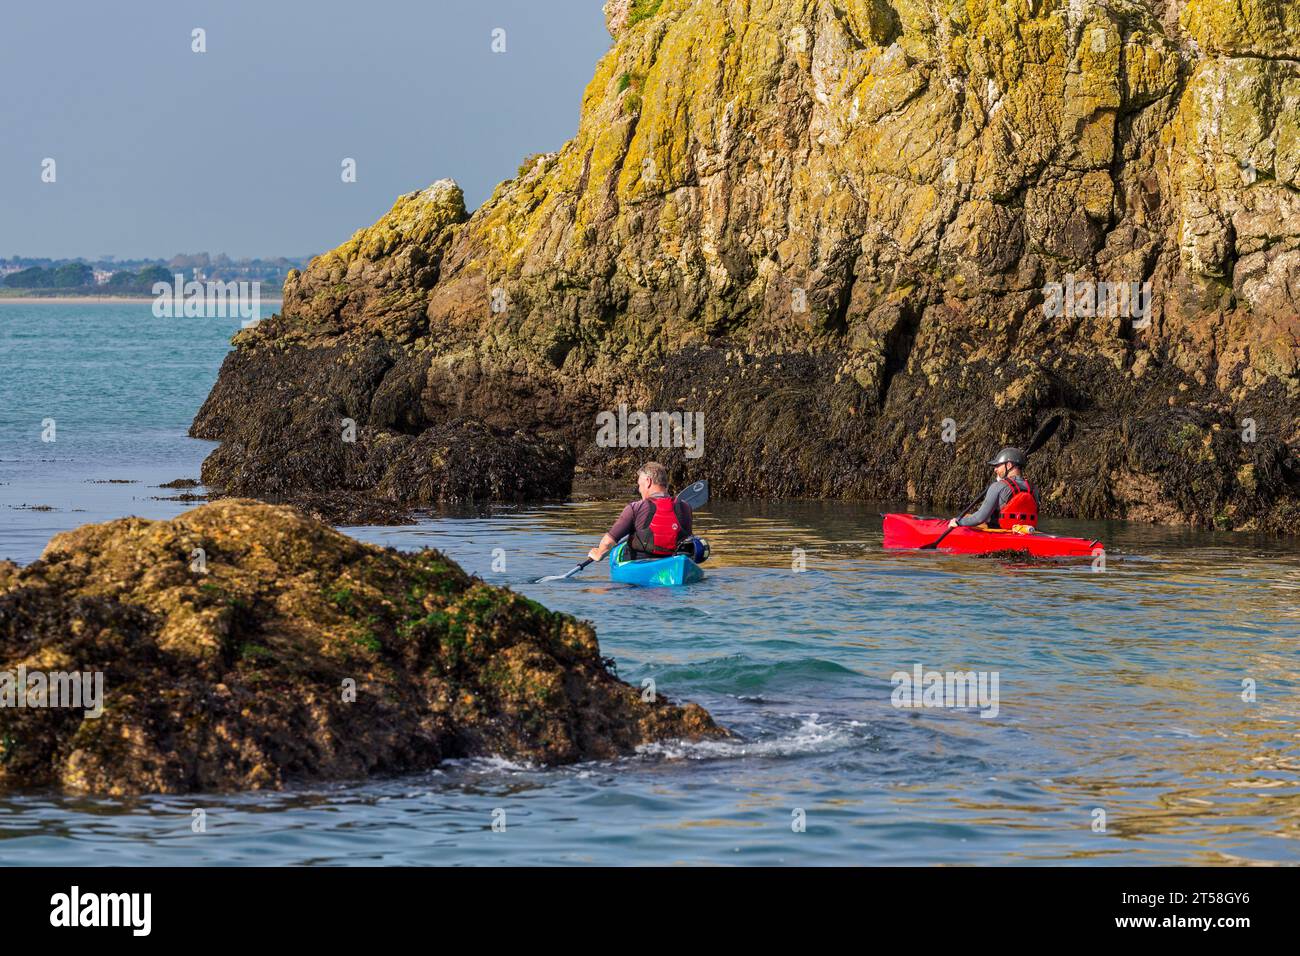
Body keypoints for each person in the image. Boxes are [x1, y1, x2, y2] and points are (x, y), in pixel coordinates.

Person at [588, 462, 693, 562]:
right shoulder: (685, 507)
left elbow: (607, 543)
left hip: (641, 563)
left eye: (639, 484)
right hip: (674, 563)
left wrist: (598, 553)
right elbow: (688, 542)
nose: (639, 489)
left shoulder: (635, 508)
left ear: (648, 482)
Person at [947, 447, 1039, 530]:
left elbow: (979, 518)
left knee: (967, 517)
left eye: (998, 466)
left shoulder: (998, 486)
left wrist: (958, 522)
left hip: (1000, 532)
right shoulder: (1033, 488)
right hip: (1026, 531)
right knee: (968, 516)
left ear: (1009, 465)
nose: (995, 469)